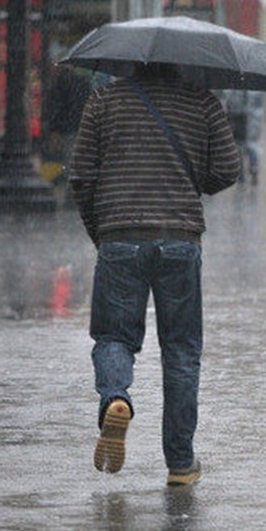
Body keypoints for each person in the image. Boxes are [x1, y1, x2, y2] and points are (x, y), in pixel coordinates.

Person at [69, 63, 240, 486]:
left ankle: (116, 398)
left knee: (113, 336)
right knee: (181, 350)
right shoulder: (202, 101)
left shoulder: (104, 101)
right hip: (180, 237)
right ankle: (180, 463)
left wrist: (102, 230)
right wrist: (186, 176)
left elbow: (80, 175)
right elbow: (228, 170)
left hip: (119, 235)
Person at [223, 88, 264, 185]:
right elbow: (259, 108)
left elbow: (228, 107)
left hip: (239, 120)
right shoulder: (255, 90)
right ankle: (252, 170)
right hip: (248, 121)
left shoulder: (231, 89)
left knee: (239, 147)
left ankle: (243, 174)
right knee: (250, 147)